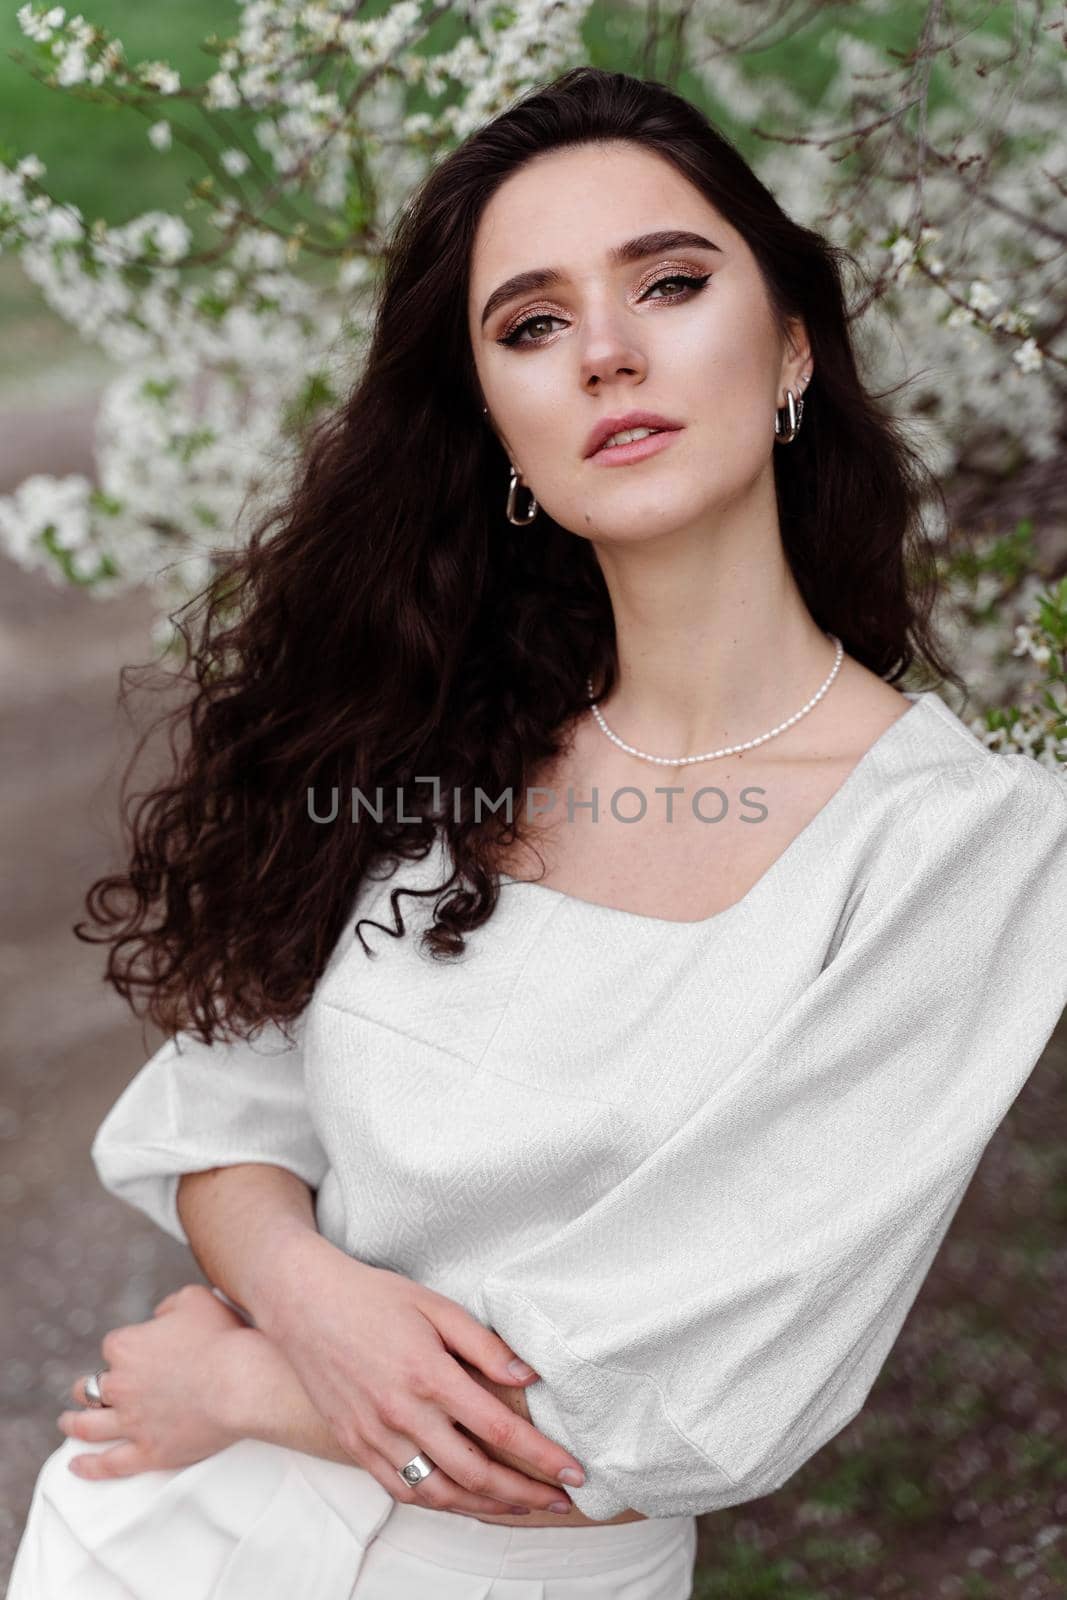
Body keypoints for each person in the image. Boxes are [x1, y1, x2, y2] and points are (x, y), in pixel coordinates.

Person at [9, 62, 1067, 1600]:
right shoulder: (429, 741)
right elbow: (218, 1111)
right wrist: (304, 1293)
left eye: (672, 282)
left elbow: (662, 1416)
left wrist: (237, 1383)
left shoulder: (966, 849)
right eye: (533, 324)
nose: (609, 355)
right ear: (499, 423)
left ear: (790, 349)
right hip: (153, 1535)